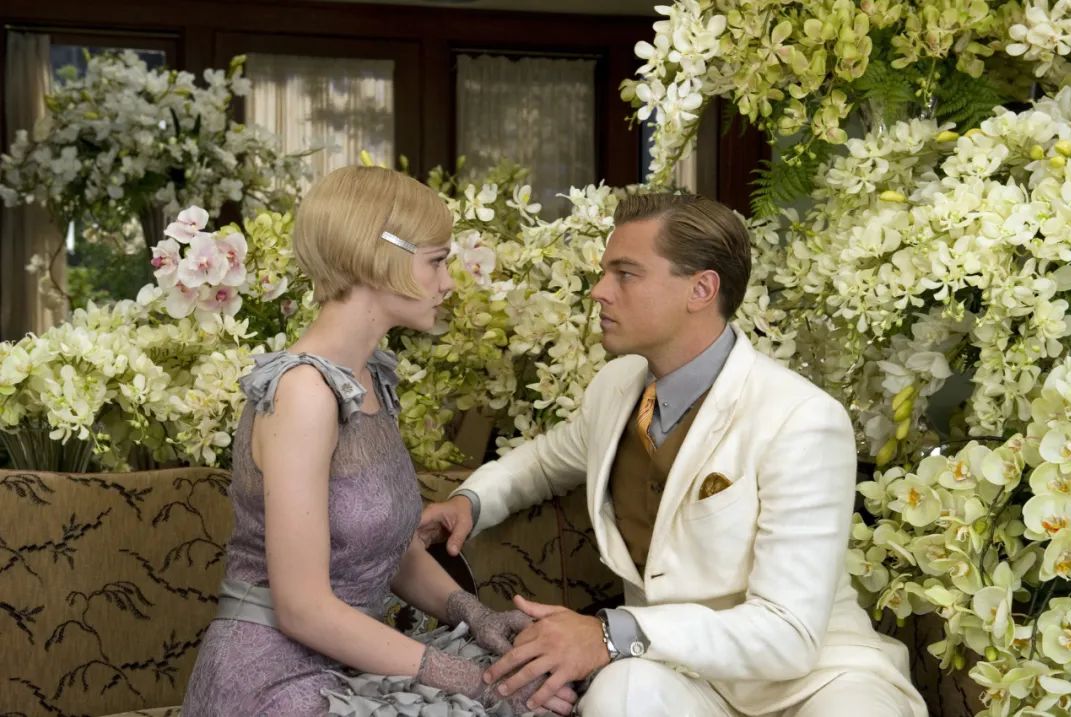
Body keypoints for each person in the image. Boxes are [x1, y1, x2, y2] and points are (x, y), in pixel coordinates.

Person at [419, 193, 928, 717]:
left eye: (625, 274)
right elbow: (544, 463)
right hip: (684, 677)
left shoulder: (801, 418)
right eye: (604, 273)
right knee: (618, 696)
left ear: (701, 289)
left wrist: (610, 634)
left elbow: (789, 633)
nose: (598, 291)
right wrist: (469, 503)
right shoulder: (616, 387)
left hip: (817, 681)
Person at [182, 165, 575, 716]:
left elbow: (384, 549)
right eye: (436, 261)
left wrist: (474, 614)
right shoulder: (304, 393)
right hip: (275, 678)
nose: (448, 283)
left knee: (550, 696)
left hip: (348, 663)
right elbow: (302, 611)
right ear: (378, 257)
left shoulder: (367, 377)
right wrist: (477, 681)